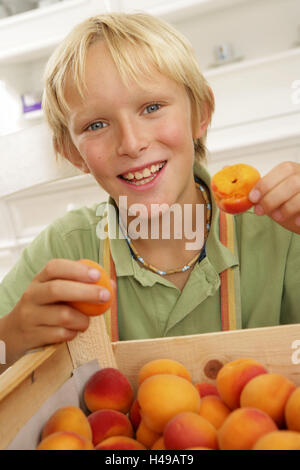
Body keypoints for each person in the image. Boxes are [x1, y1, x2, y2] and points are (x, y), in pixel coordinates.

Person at [0, 12, 300, 370]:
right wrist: (12, 337)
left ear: (199, 114)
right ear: (72, 153)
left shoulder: (282, 229)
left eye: (152, 107)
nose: (131, 143)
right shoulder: (64, 249)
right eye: (96, 124)